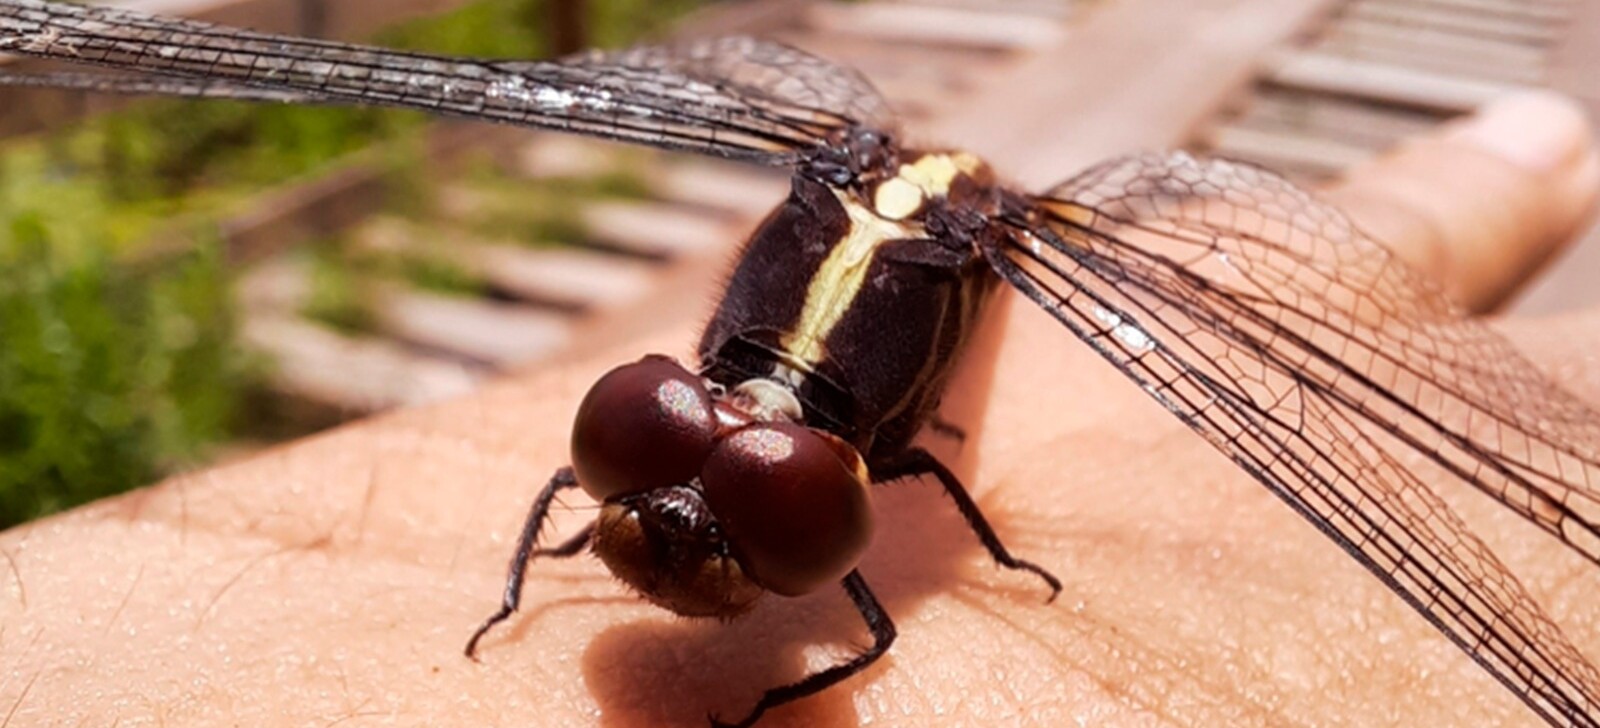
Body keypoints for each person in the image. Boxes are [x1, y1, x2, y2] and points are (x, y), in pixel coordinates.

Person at [1, 91, 1596, 726]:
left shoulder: (889, 445)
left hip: (988, 243)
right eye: (648, 440)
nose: (672, 516)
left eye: (788, 507)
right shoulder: (711, 456)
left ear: (854, 481)